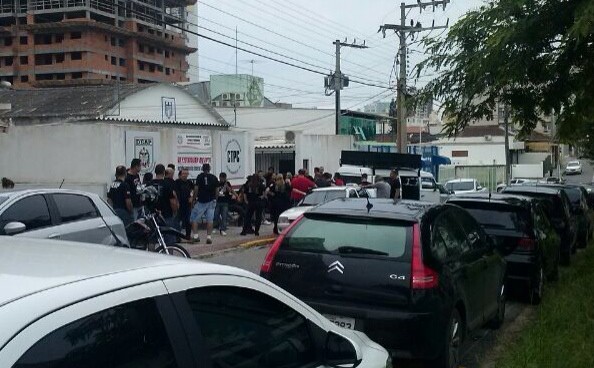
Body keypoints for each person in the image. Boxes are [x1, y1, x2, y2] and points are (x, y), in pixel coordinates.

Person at [190, 163, 219, 244]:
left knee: (194, 219)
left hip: (201, 201)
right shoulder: (214, 177)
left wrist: (194, 199)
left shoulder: (200, 177)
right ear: (209, 169)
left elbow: (196, 189)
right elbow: (217, 190)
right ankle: (209, 237)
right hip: (211, 201)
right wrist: (215, 199)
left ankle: (196, 236)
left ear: (202, 169)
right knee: (210, 220)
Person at [151, 164, 179, 245]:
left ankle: (152, 254)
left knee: (152, 238)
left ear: (155, 172)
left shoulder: (149, 184)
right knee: (169, 237)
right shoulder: (167, 184)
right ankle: (169, 255)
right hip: (166, 214)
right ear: (164, 172)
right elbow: (172, 201)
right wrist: (174, 212)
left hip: (153, 215)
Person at [214, 172, 236, 236]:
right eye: (221, 178)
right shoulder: (217, 183)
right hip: (218, 201)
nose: (222, 179)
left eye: (224, 178)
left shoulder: (227, 183)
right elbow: (216, 192)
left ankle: (223, 229)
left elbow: (230, 191)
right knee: (215, 215)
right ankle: (218, 226)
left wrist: (226, 185)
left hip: (225, 202)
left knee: (224, 216)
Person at [175, 169, 193, 239]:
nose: (185, 175)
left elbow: (193, 190)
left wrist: (191, 197)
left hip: (187, 205)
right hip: (179, 204)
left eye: (186, 174)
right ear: (180, 174)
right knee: (177, 221)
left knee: (188, 220)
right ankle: (177, 237)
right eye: (183, 174)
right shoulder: (177, 182)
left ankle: (188, 235)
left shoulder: (189, 182)